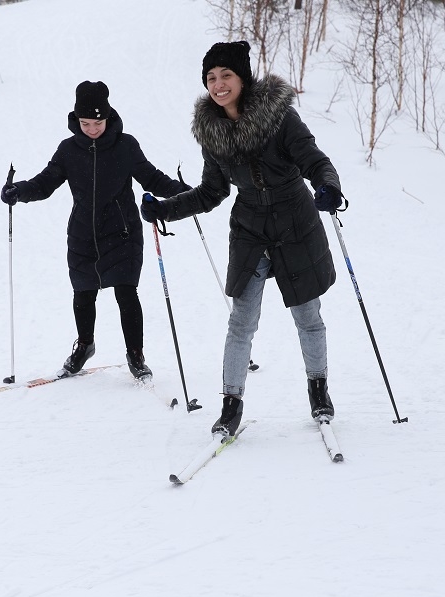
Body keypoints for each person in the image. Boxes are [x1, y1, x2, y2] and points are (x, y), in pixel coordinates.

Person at [139, 40, 344, 436]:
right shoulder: (212, 132)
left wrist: (329, 186)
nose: (218, 84)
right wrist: (166, 208)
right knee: (241, 321)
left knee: (307, 316)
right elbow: (211, 192)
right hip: (250, 228)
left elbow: (314, 160)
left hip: (295, 222)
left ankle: (318, 389)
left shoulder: (280, 117)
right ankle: (231, 405)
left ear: (242, 78)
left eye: (226, 75)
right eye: (211, 78)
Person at [0, 81, 188, 381]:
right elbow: (45, 182)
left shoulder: (126, 145)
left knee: (127, 293)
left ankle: (136, 355)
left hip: (122, 232)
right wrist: (18, 191)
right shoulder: (68, 150)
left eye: (97, 122)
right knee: (83, 294)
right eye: (85, 123)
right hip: (83, 234)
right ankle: (84, 345)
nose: (91, 129)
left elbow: (152, 178)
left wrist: (185, 194)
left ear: (108, 117)